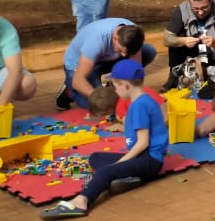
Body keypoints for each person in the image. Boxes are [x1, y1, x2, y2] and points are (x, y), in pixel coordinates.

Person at [40, 61, 167, 219]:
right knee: (96, 157)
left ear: (125, 85)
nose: (115, 91)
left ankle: (81, 202)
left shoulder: (139, 106)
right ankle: (126, 177)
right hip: (142, 157)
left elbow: (143, 143)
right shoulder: (143, 100)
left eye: (115, 86)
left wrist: (119, 163)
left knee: (105, 171)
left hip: (150, 160)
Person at [57, 18, 156, 111]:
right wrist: (99, 98)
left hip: (106, 59)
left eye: (127, 52)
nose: (124, 55)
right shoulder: (96, 41)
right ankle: (70, 92)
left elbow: (135, 70)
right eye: (121, 50)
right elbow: (78, 80)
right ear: (115, 38)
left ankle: (115, 82)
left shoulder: (134, 35)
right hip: (80, 65)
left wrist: (135, 94)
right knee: (100, 106)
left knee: (148, 51)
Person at [161, 0, 215, 90]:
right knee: (175, 42)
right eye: (196, 9)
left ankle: (210, 75)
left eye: (204, 7)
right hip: (191, 46)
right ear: (189, 3)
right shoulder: (181, 10)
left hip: (213, 50)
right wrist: (183, 40)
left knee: (212, 83)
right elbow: (166, 39)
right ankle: (174, 77)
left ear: (211, 1)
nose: (201, 12)